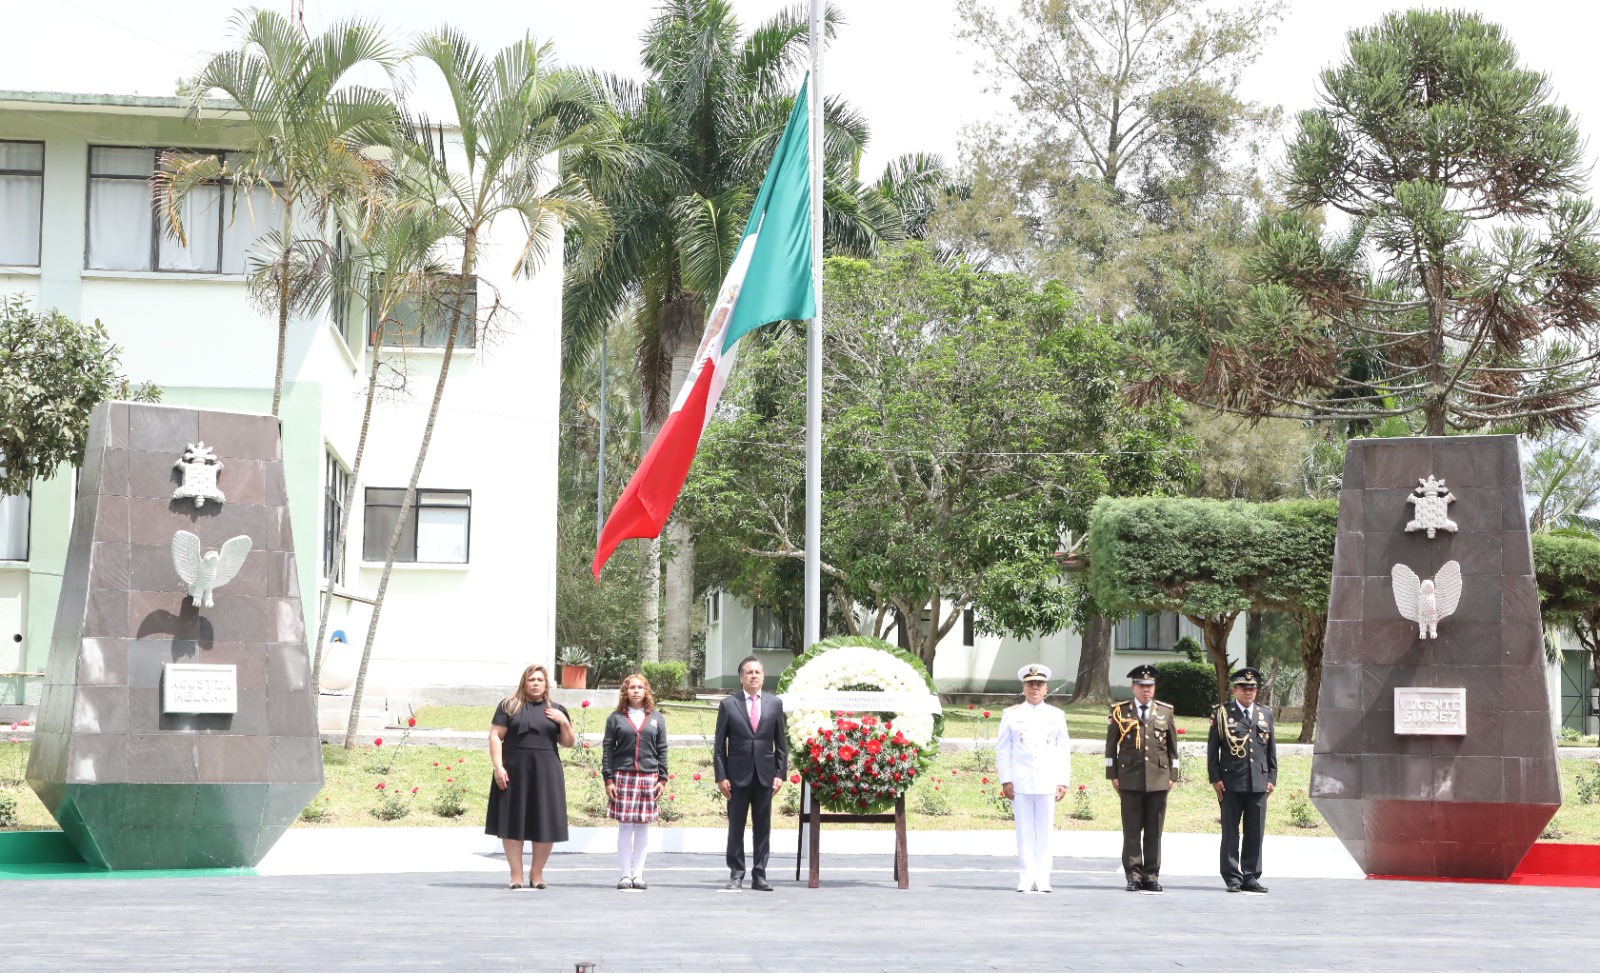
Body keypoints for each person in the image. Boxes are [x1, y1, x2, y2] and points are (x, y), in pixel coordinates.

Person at [486, 664, 574, 889]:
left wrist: (563, 721)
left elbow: (568, 742)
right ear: (524, 682)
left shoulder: (557, 709)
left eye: (540, 680)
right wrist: (498, 766)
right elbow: (495, 735)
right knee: (513, 822)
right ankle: (516, 875)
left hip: (547, 771)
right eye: (531, 679)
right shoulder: (509, 706)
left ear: (546, 685)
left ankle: (537, 874)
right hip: (514, 770)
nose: (536, 683)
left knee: (545, 821)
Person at [713, 655, 788, 891]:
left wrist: (780, 774)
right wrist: (721, 776)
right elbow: (718, 746)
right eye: (749, 672)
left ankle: (760, 874)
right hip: (736, 776)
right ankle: (736, 873)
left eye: (757, 672)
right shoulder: (728, 705)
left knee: (762, 827)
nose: (753, 676)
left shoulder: (774, 704)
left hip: (765, 776)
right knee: (736, 826)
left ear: (763, 676)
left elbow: (781, 745)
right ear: (741, 677)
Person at [996, 663, 1071, 893]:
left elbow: (1063, 749)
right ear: (1024, 687)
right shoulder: (1011, 715)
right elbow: (1003, 750)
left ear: (1046, 688)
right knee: (1024, 831)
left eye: (1039, 684)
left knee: (1045, 832)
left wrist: (1062, 781)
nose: (1035, 688)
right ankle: (1026, 877)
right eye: (1030, 684)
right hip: (1021, 781)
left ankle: (1043, 877)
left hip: (1048, 780)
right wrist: (1006, 779)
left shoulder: (1056, 715)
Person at [1106, 663, 1181, 893]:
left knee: (1154, 829)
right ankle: (1133, 875)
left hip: (1159, 778)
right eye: (1141, 686)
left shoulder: (1165, 712)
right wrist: (1113, 775)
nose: (1145, 690)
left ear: (1154, 688)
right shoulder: (1120, 712)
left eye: (1149, 686)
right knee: (1131, 829)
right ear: (1133, 687)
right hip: (1129, 777)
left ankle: (1151, 875)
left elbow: (1172, 749)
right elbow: (1110, 748)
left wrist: (1173, 775)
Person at [1207, 666, 1277, 894]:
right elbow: (1212, 750)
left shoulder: (1265, 714)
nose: (1249, 692)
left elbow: (1271, 750)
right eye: (1244, 688)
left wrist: (1272, 777)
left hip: (1258, 781)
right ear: (1235, 690)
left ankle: (1251, 875)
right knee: (1230, 831)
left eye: (1253, 688)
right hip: (1231, 781)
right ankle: (1232, 876)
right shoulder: (1222, 713)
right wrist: (1215, 778)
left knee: (1255, 831)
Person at [602, 673, 669, 890]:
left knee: (642, 826)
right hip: (622, 775)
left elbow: (662, 749)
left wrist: (663, 777)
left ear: (646, 691)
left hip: (648, 776)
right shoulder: (616, 718)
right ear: (625, 692)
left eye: (640, 687)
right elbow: (607, 749)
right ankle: (624, 875)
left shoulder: (656, 718)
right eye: (632, 687)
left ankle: (638, 874)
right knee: (625, 825)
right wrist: (608, 779)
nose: (636, 691)